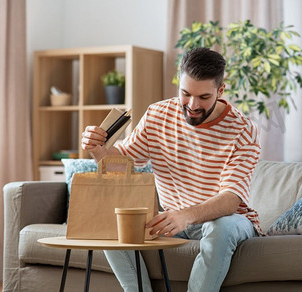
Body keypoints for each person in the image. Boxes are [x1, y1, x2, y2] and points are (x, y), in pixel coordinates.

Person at [81, 47, 261, 292]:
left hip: (226, 220)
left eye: (204, 97)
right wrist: (97, 149)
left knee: (221, 228)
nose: (192, 105)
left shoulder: (243, 130)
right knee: (113, 220)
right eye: (185, 94)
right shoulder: (158, 114)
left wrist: (184, 215)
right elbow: (122, 164)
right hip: (173, 219)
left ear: (220, 91)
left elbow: (230, 201)